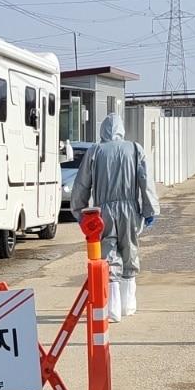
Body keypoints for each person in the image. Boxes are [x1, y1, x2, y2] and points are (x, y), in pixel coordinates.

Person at [69, 112, 160, 319]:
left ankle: (113, 308)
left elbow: (82, 184)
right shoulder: (135, 149)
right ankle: (129, 305)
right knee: (130, 251)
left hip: (104, 212)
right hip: (130, 209)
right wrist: (149, 210)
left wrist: (79, 210)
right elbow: (146, 181)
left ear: (102, 131)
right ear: (122, 130)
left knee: (108, 253)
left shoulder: (96, 151)